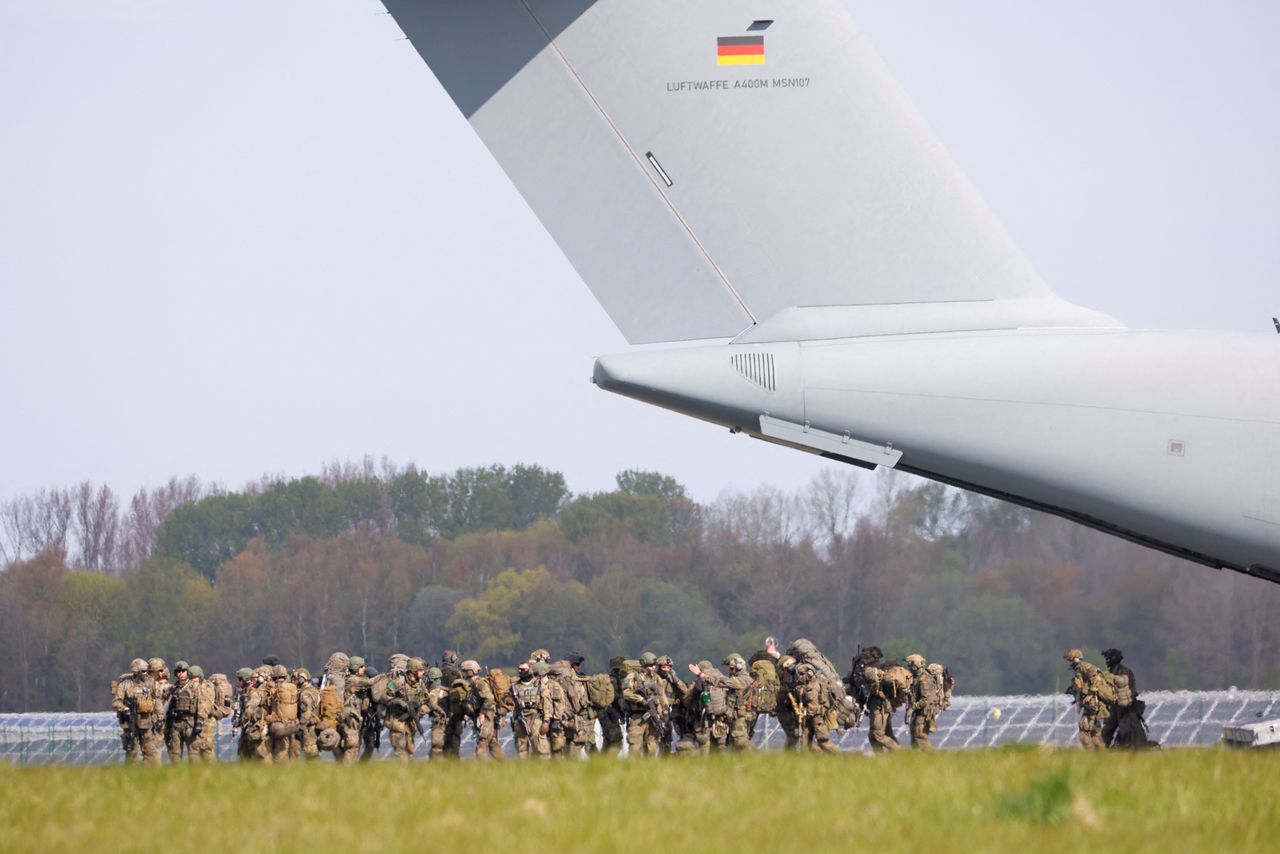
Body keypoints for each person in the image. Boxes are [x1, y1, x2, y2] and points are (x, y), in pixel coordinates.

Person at [113, 658, 162, 765]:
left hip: (146, 721)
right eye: (144, 671)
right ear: (137, 672)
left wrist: (160, 717)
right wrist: (125, 709)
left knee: (149, 751)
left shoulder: (150, 683)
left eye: (147, 671)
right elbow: (116, 702)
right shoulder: (125, 684)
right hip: (130, 722)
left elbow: (157, 699)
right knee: (132, 751)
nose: (146, 674)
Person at [1101, 648, 1150, 748]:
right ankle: (1101, 751)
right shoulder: (1110, 672)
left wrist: (1127, 701)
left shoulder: (1125, 672)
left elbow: (1130, 690)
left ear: (1112, 659)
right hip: (1115, 707)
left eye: (1107, 659)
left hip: (1126, 708)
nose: (1106, 661)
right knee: (1107, 731)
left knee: (1126, 731)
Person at [384, 657, 429, 761]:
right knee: (399, 749)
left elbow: (427, 700)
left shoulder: (420, 683)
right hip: (397, 720)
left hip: (411, 721)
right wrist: (399, 702)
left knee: (410, 750)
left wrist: (421, 708)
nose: (423, 672)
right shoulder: (398, 682)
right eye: (420, 670)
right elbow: (386, 696)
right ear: (413, 670)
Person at [622, 652, 665, 756]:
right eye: (650, 666)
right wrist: (640, 699)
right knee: (635, 746)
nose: (653, 668)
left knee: (652, 746)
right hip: (638, 717)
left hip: (653, 716)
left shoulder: (656, 678)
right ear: (644, 665)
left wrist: (664, 711)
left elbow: (661, 695)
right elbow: (626, 693)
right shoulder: (633, 676)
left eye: (654, 665)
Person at [1064, 649, 1109, 749]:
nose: (1068, 663)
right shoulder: (1078, 669)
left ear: (1075, 659)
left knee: (1084, 733)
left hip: (1092, 704)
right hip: (1089, 704)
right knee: (1095, 733)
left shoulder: (1085, 667)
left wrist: (1090, 694)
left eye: (1070, 660)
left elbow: (1096, 678)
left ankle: (1091, 756)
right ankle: (1103, 756)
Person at [462, 659, 503, 760]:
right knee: (493, 745)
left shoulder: (479, 684)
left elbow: (489, 699)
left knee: (481, 745)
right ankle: (507, 766)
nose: (462, 673)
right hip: (484, 717)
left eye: (463, 671)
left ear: (469, 672)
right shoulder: (473, 685)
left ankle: (483, 770)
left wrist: (482, 713)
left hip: (487, 717)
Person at [794, 663, 840, 753]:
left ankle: (838, 758)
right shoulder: (808, 684)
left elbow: (813, 704)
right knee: (805, 741)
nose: (800, 677)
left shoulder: (813, 685)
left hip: (817, 717)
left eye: (802, 674)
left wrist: (806, 714)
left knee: (823, 740)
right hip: (810, 717)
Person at [511, 661, 551, 759]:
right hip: (520, 720)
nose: (520, 671)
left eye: (523, 669)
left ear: (529, 670)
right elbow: (507, 702)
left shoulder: (538, 684)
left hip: (536, 719)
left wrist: (546, 721)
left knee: (541, 749)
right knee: (521, 749)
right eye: (519, 669)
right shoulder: (515, 686)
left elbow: (547, 703)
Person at [904, 654, 940, 750]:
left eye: (909, 665)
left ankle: (933, 757)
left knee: (920, 736)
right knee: (914, 736)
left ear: (915, 665)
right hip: (919, 711)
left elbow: (925, 699)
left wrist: (912, 708)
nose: (908, 668)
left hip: (923, 712)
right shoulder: (917, 678)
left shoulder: (924, 679)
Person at [165, 661, 198, 761]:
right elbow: (165, 705)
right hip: (176, 724)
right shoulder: (173, 689)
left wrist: (200, 722)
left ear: (187, 672)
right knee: (175, 755)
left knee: (194, 755)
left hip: (190, 723)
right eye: (178, 671)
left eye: (183, 671)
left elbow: (201, 706)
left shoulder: (195, 687)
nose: (181, 673)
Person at [188, 666, 218, 762]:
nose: (194, 680)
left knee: (206, 748)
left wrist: (200, 721)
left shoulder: (206, 686)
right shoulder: (190, 687)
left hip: (207, 721)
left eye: (195, 677)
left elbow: (205, 704)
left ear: (200, 677)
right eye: (192, 678)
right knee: (194, 748)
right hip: (194, 720)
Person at [292, 667, 322, 760]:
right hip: (312, 725)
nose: (294, 681)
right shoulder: (314, 690)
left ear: (302, 679)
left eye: (296, 678)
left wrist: (301, 726)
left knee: (311, 752)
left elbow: (306, 713)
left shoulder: (305, 693)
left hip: (308, 728)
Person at [424, 667, 451, 759]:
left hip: (439, 722)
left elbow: (428, 708)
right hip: (449, 722)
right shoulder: (446, 690)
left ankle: (437, 766)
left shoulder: (434, 692)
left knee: (437, 747)